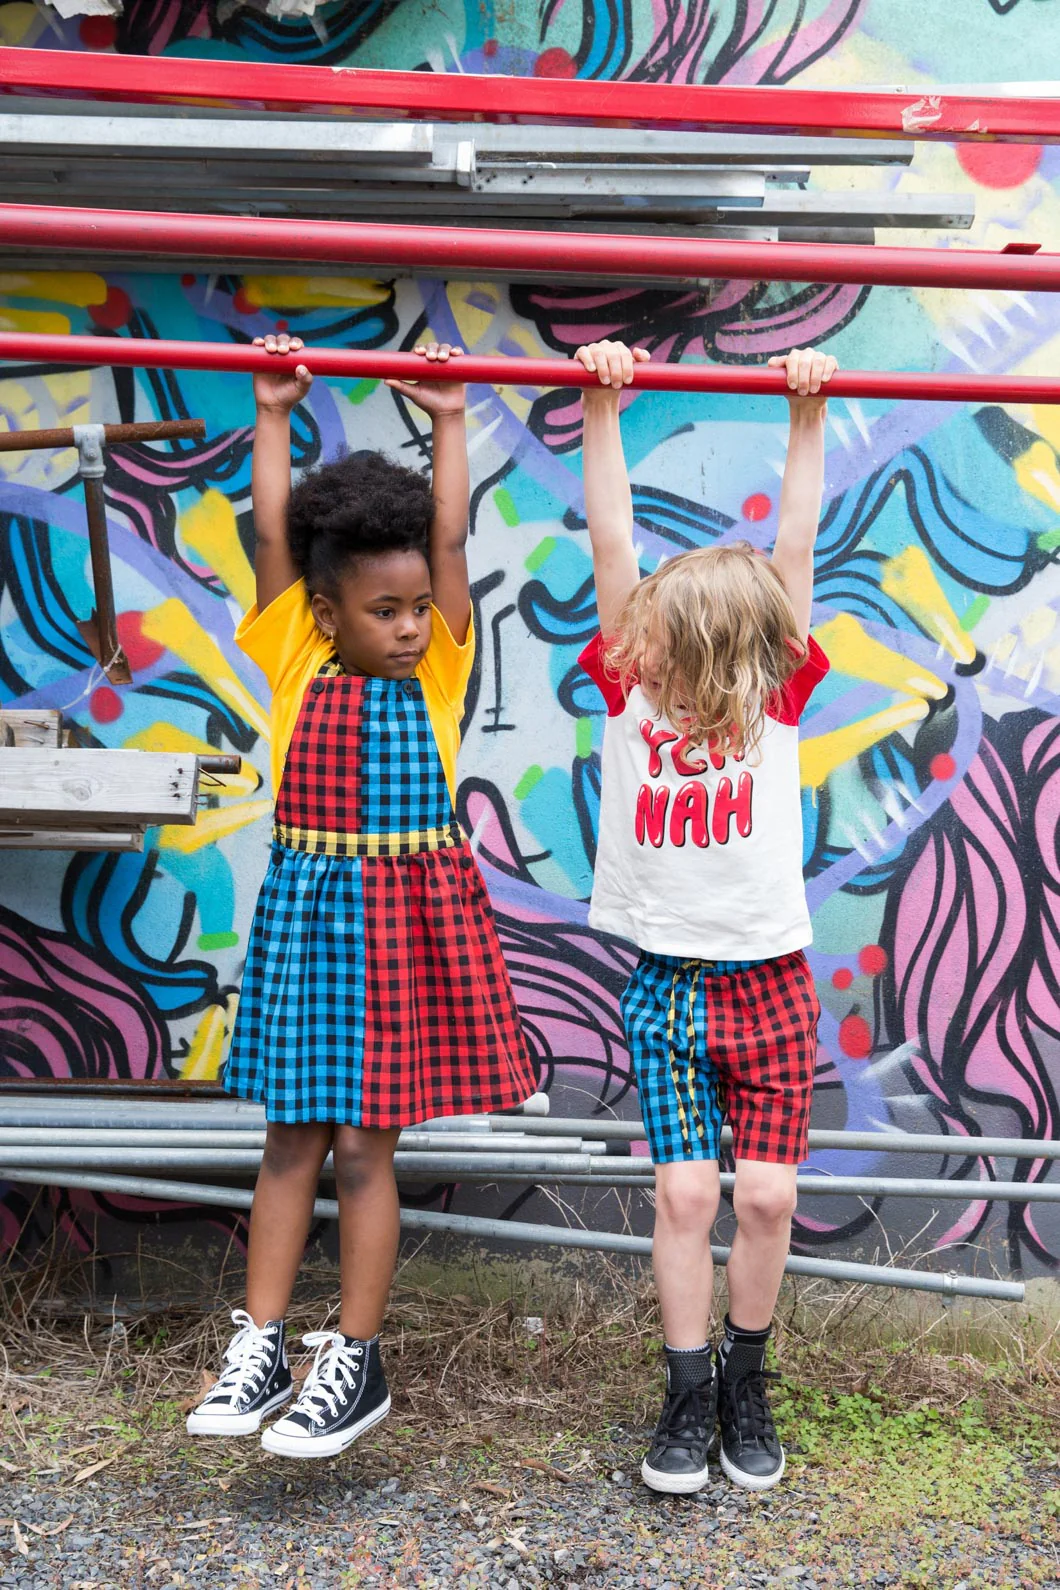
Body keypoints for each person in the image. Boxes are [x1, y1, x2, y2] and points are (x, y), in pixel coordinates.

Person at [187, 333, 536, 1459]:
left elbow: (450, 538)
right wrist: (273, 414)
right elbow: (273, 540)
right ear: (327, 614)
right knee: (290, 1138)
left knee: (363, 1148)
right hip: (308, 926)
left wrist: (450, 419)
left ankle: (357, 1355)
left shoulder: (438, 670)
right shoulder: (296, 657)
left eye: (418, 607)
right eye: (385, 610)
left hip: (398, 933)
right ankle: (259, 1345)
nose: (411, 625)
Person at [573, 338, 836, 1494]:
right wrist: (601, 404)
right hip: (669, 985)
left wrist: (806, 414)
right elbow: (611, 540)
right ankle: (684, 1395)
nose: (648, 657)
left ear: (725, 656)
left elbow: (795, 546)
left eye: (671, 649)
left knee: (767, 1194)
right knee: (684, 1192)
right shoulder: (628, 695)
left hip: (769, 982)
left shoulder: (777, 698)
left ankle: (745, 1379)